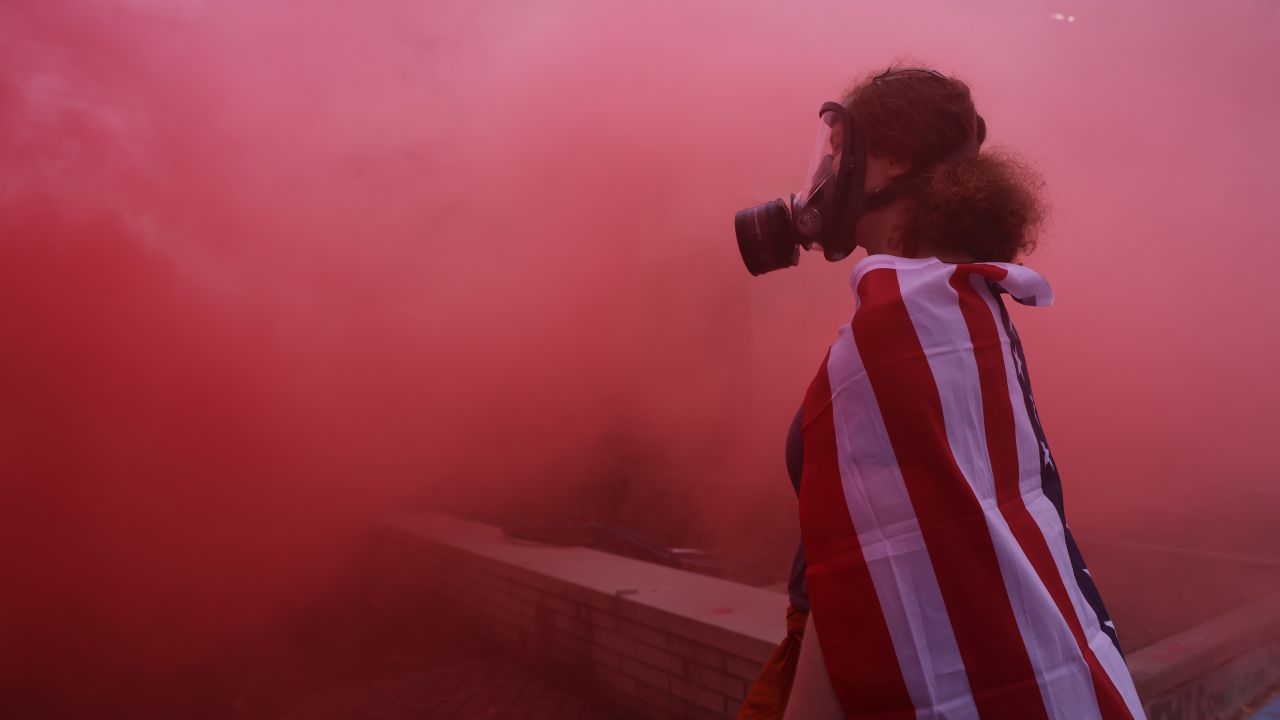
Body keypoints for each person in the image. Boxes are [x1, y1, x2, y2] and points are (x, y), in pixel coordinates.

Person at [744, 66, 1146, 720]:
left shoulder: (899, 333)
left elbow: (869, 567)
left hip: (863, 657)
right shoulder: (964, 305)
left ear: (894, 159)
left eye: (844, 151)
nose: (826, 174)